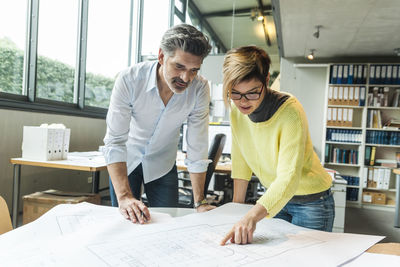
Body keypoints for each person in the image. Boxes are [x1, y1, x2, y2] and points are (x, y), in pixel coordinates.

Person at [220, 46, 334, 245]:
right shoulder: (237, 111)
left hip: (311, 203)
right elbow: (241, 160)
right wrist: (237, 208)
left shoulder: (290, 111)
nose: (243, 102)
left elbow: (288, 177)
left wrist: (251, 216)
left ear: (266, 81)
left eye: (252, 93)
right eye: (235, 93)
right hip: (275, 201)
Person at [103, 24, 215, 224]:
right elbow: (115, 141)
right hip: (126, 160)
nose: (186, 78)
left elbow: (197, 146)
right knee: (125, 222)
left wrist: (200, 202)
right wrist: (124, 197)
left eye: (193, 70)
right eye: (179, 67)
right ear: (162, 56)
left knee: (167, 224)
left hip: (163, 163)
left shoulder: (199, 88)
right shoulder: (130, 80)